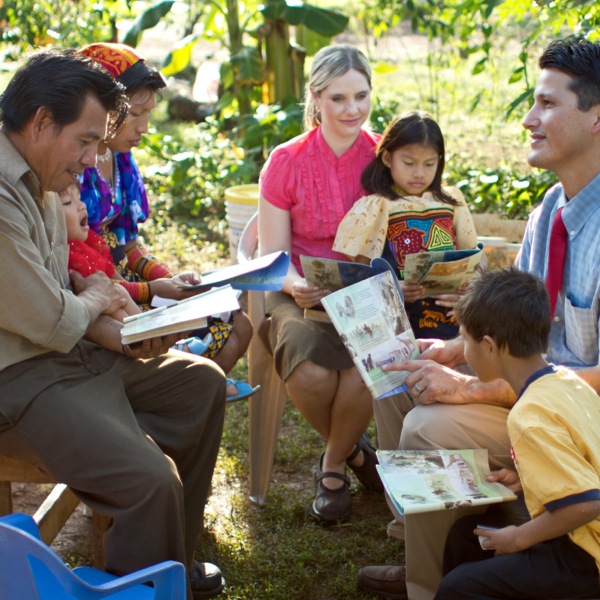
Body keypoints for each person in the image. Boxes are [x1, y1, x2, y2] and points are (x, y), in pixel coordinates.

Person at [357, 36, 600, 600]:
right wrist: (452, 351)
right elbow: (516, 327)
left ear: (595, 118)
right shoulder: (548, 215)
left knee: (429, 426)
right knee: (399, 376)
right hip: (538, 395)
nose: (529, 120)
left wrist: (476, 389)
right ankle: (423, 542)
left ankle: (436, 584)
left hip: (580, 420)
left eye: (546, 104)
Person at [0, 48, 226, 599]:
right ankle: (143, 583)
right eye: (85, 140)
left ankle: (170, 567)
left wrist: (125, 332)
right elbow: (55, 319)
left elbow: (66, 293)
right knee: (150, 482)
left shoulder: (40, 176)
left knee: (201, 384)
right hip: (20, 379)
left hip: (63, 357)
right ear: (40, 121)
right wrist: (100, 299)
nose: (91, 158)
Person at [78, 42, 255, 401]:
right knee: (217, 326)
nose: (143, 127)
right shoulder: (74, 169)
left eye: (148, 114)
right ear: (99, 106)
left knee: (239, 323)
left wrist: (167, 279)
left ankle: (189, 397)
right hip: (104, 301)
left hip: (129, 286)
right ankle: (184, 389)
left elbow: (127, 244)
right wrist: (154, 291)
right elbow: (82, 276)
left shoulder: (119, 158)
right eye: (135, 114)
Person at [258, 44, 383, 522]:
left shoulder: (382, 156)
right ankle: (355, 451)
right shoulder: (286, 161)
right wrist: (293, 287)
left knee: (365, 369)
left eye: (361, 96)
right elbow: (274, 256)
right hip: (302, 294)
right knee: (310, 371)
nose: (352, 109)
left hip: (367, 294)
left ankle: (333, 462)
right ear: (315, 97)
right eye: (338, 98)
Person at [434, 267, 600, 599]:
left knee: (456, 588)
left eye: (465, 339)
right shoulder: (566, 382)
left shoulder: (528, 416)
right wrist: (528, 477)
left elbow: (586, 505)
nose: (463, 351)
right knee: (465, 537)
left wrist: (518, 538)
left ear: (490, 346)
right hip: (581, 535)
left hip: (585, 556)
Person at [333, 110, 477, 339]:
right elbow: (359, 274)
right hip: (397, 321)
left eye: (429, 164)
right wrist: (393, 288)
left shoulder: (452, 201)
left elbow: (476, 259)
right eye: (408, 163)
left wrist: (468, 287)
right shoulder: (377, 206)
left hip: (449, 317)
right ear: (388, 158)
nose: (419, 173)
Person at [61, 183, 140, 321]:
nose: (82, 205)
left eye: (79, 198)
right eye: (68, 202)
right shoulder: (67, 258)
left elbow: (119, 284)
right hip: (103, 318)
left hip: (124, 302)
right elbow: (109, 306)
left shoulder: (89, 244)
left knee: (120, 291)